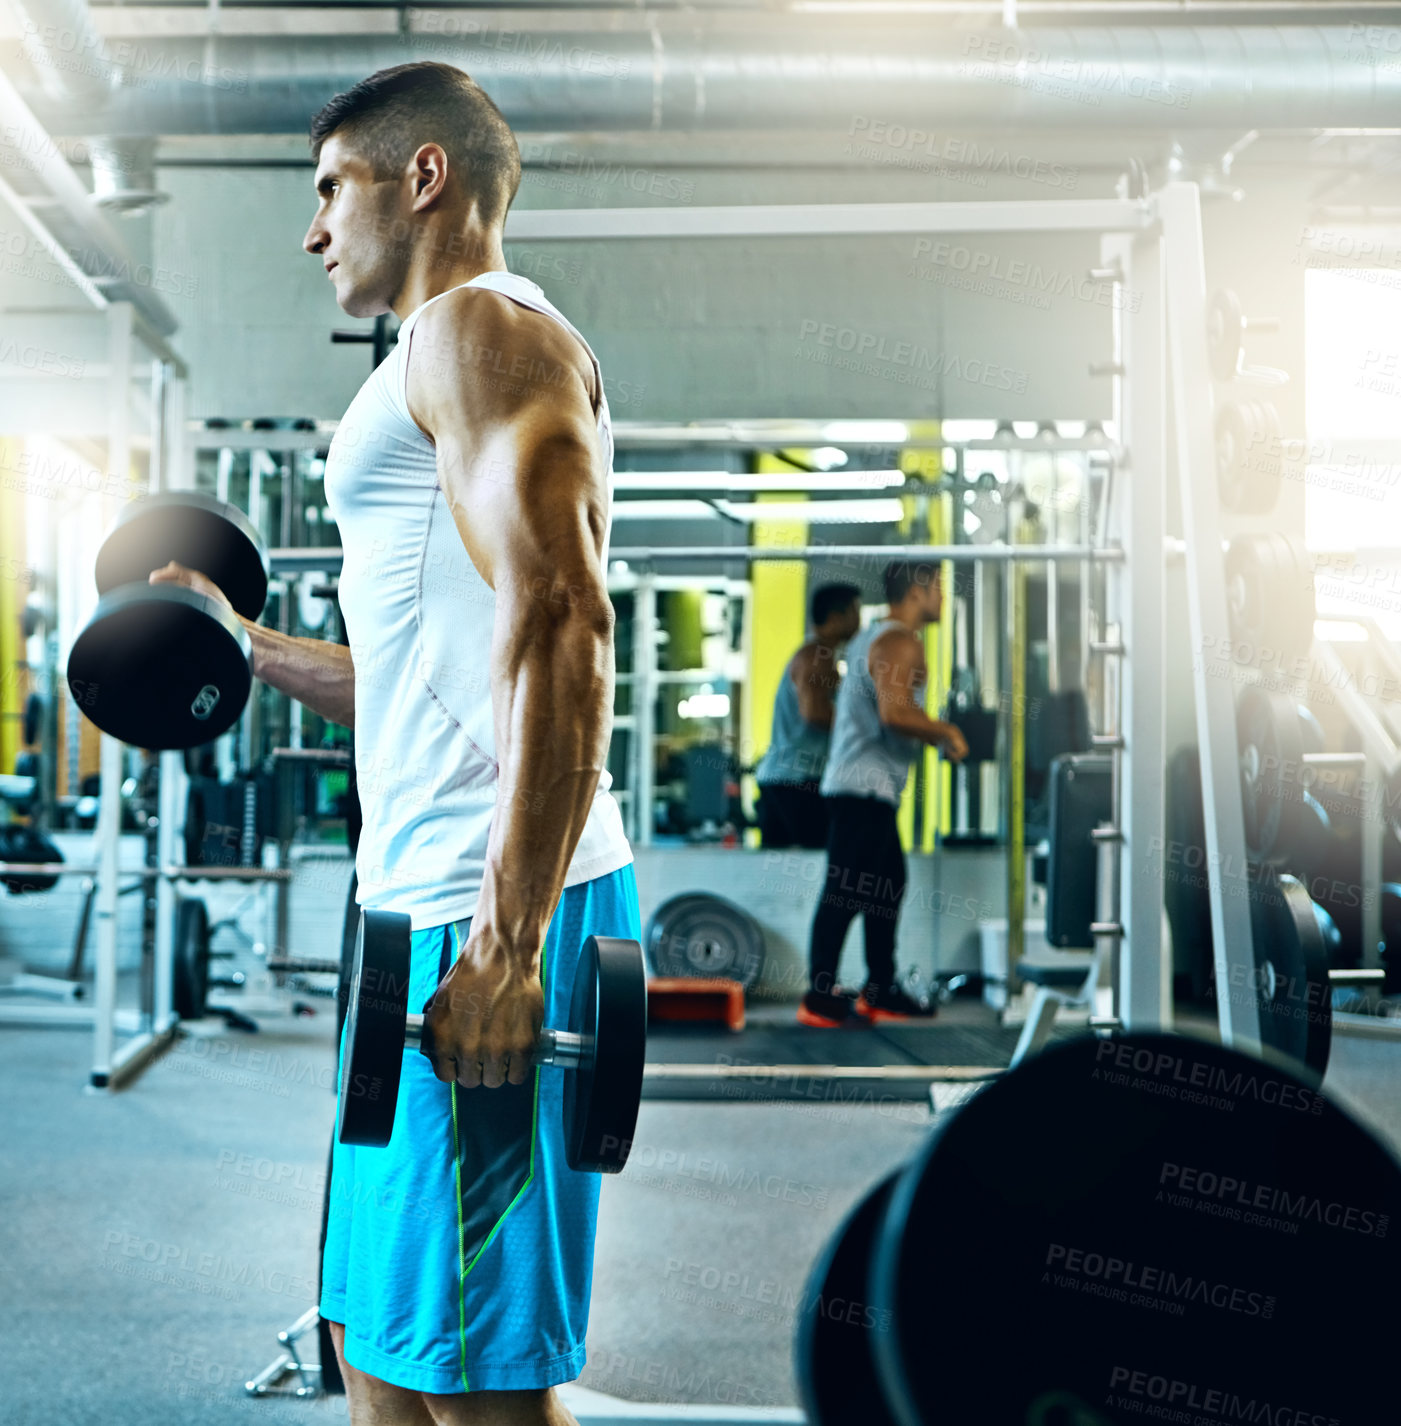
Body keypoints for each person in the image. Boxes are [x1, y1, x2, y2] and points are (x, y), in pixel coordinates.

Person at [152, 61, 634, 1426]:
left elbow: (560, 614)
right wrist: (241, 643)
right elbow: (440, 678)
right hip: (414, 900)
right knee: (376, 1349)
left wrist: (506, 942)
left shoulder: (478, 329)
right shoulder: (434, 355)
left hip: (480, 910)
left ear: (424, 178)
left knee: (476, 1386)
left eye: (330, 188)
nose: (313, 231)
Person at [799, 559, 968, 1028]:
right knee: (847, 890)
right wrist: (946, 730)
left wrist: (929, 735)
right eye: (938, 587)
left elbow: (888, 715)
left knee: (885, 885)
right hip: (860, 789)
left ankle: (879, 988)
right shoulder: (899, 640)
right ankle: (821, 997)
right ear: (920, 590)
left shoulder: (873, 637)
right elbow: (895, 713)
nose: (941, 597)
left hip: (864, 788)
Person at [753, 582, 861, 849]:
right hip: (795, 781)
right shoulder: (816, 656)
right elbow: (814, 713)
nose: (860, 621)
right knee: (818, 860)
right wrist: (862, 726)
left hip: (789, 780)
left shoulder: (823, 656)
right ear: (836, 618)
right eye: (855, 612)